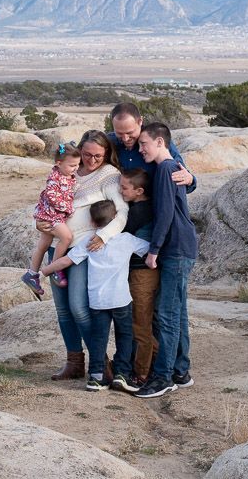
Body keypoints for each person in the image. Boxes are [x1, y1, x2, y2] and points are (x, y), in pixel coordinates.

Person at [40, 130, 128, 381]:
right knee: (63, 310)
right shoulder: (66, 170)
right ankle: (74, 362)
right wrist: (41, 224)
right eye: (87, 154)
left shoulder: (110, 176)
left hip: (83, 249)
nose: (91, 160)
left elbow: (121, 212)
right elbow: (47, 202)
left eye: (98, 155)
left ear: (106, 154)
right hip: (57, 246)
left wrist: (104, 235)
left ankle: (100, 363)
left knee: (79, 308)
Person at [40, 198, 149, 392]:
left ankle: (96, 377)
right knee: (125, 335)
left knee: (99, 339)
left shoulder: (88, 243)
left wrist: (43, 272)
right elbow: (148, 250)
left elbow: (65, 262)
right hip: (121, 299)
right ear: (115, 218)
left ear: (92, 223)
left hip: (98, 302)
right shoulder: (127, 239)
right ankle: (122, 375)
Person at [134, 122, 198, 399]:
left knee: (167, 314)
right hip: (183, 246)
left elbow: (165, 214)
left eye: (143, 144)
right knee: (178, 311)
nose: (140, 149)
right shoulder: (174, 169)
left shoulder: (164, 169)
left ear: (160, 142)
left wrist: (154, 250)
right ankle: (181, 371)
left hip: (174, 248)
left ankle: (163, 378)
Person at [21, 143, 80, 297]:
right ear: (58, 163)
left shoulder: (67, 175)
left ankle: (32, 274)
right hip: (51, 214)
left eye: (78, 164)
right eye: (72, 165)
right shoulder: (55, 178)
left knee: (44, 244)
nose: (76, 168)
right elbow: (52, 198)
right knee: (66, 237)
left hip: (51, 214)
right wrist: (68, 208)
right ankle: (56, 268)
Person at [117, 167, 158, 388]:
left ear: (139, 190)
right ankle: (157, 364)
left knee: (140, 324)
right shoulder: (143, 206)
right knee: (143, 322)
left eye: (124, 187)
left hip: (142, 273)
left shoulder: (139, 211)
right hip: (142, 272)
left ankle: (142, 373)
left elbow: (119, 234)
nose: (120, 191)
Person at [107, 101, 197, 192]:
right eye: (119, 133)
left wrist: (190, 180)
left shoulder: (156, 141)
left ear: (140, 121)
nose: (125, 138)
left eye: (130, 133)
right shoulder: (109, 142)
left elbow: (183, 180)